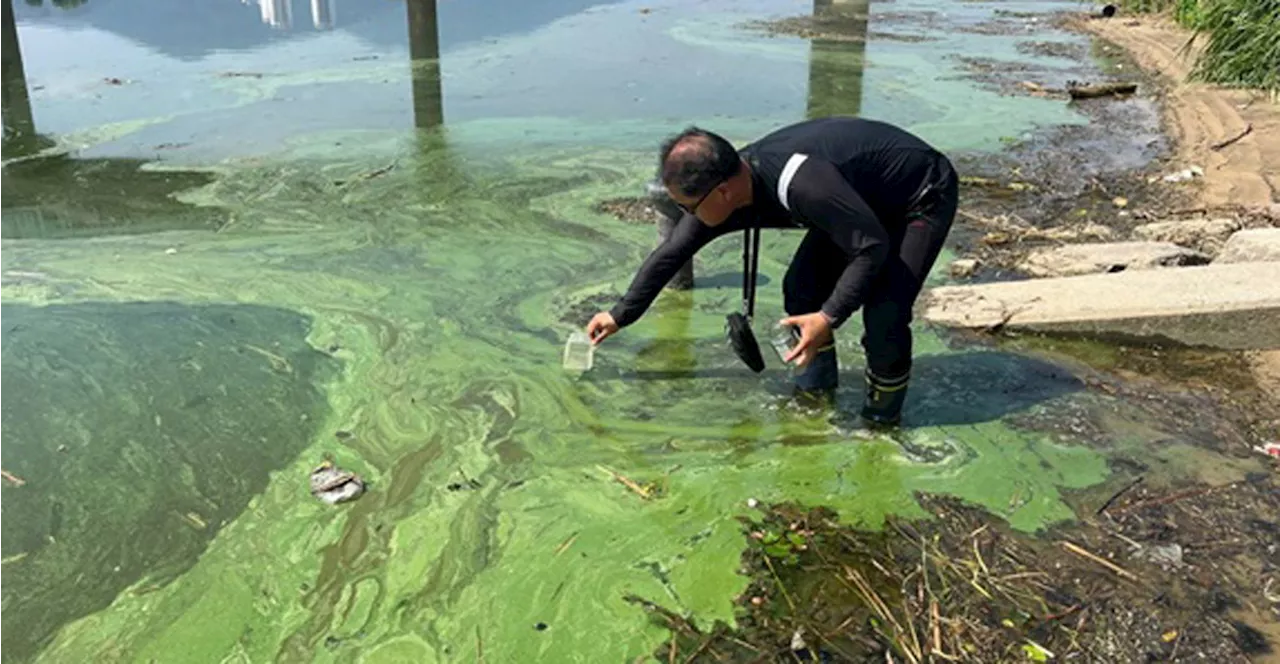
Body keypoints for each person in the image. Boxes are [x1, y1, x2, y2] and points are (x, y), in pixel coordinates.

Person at [585, 116, 958, 427]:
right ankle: (815, 393)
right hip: (852, 207)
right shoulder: (727, 186)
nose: (688, 217)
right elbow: (672, 252)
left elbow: (870, 247)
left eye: (689, 206)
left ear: (722, 193)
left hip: (916, 197)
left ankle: (880, 421)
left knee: (884, 312)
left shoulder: (802, 185)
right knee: (801, 288)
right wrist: (620, 315)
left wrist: (830, 316)